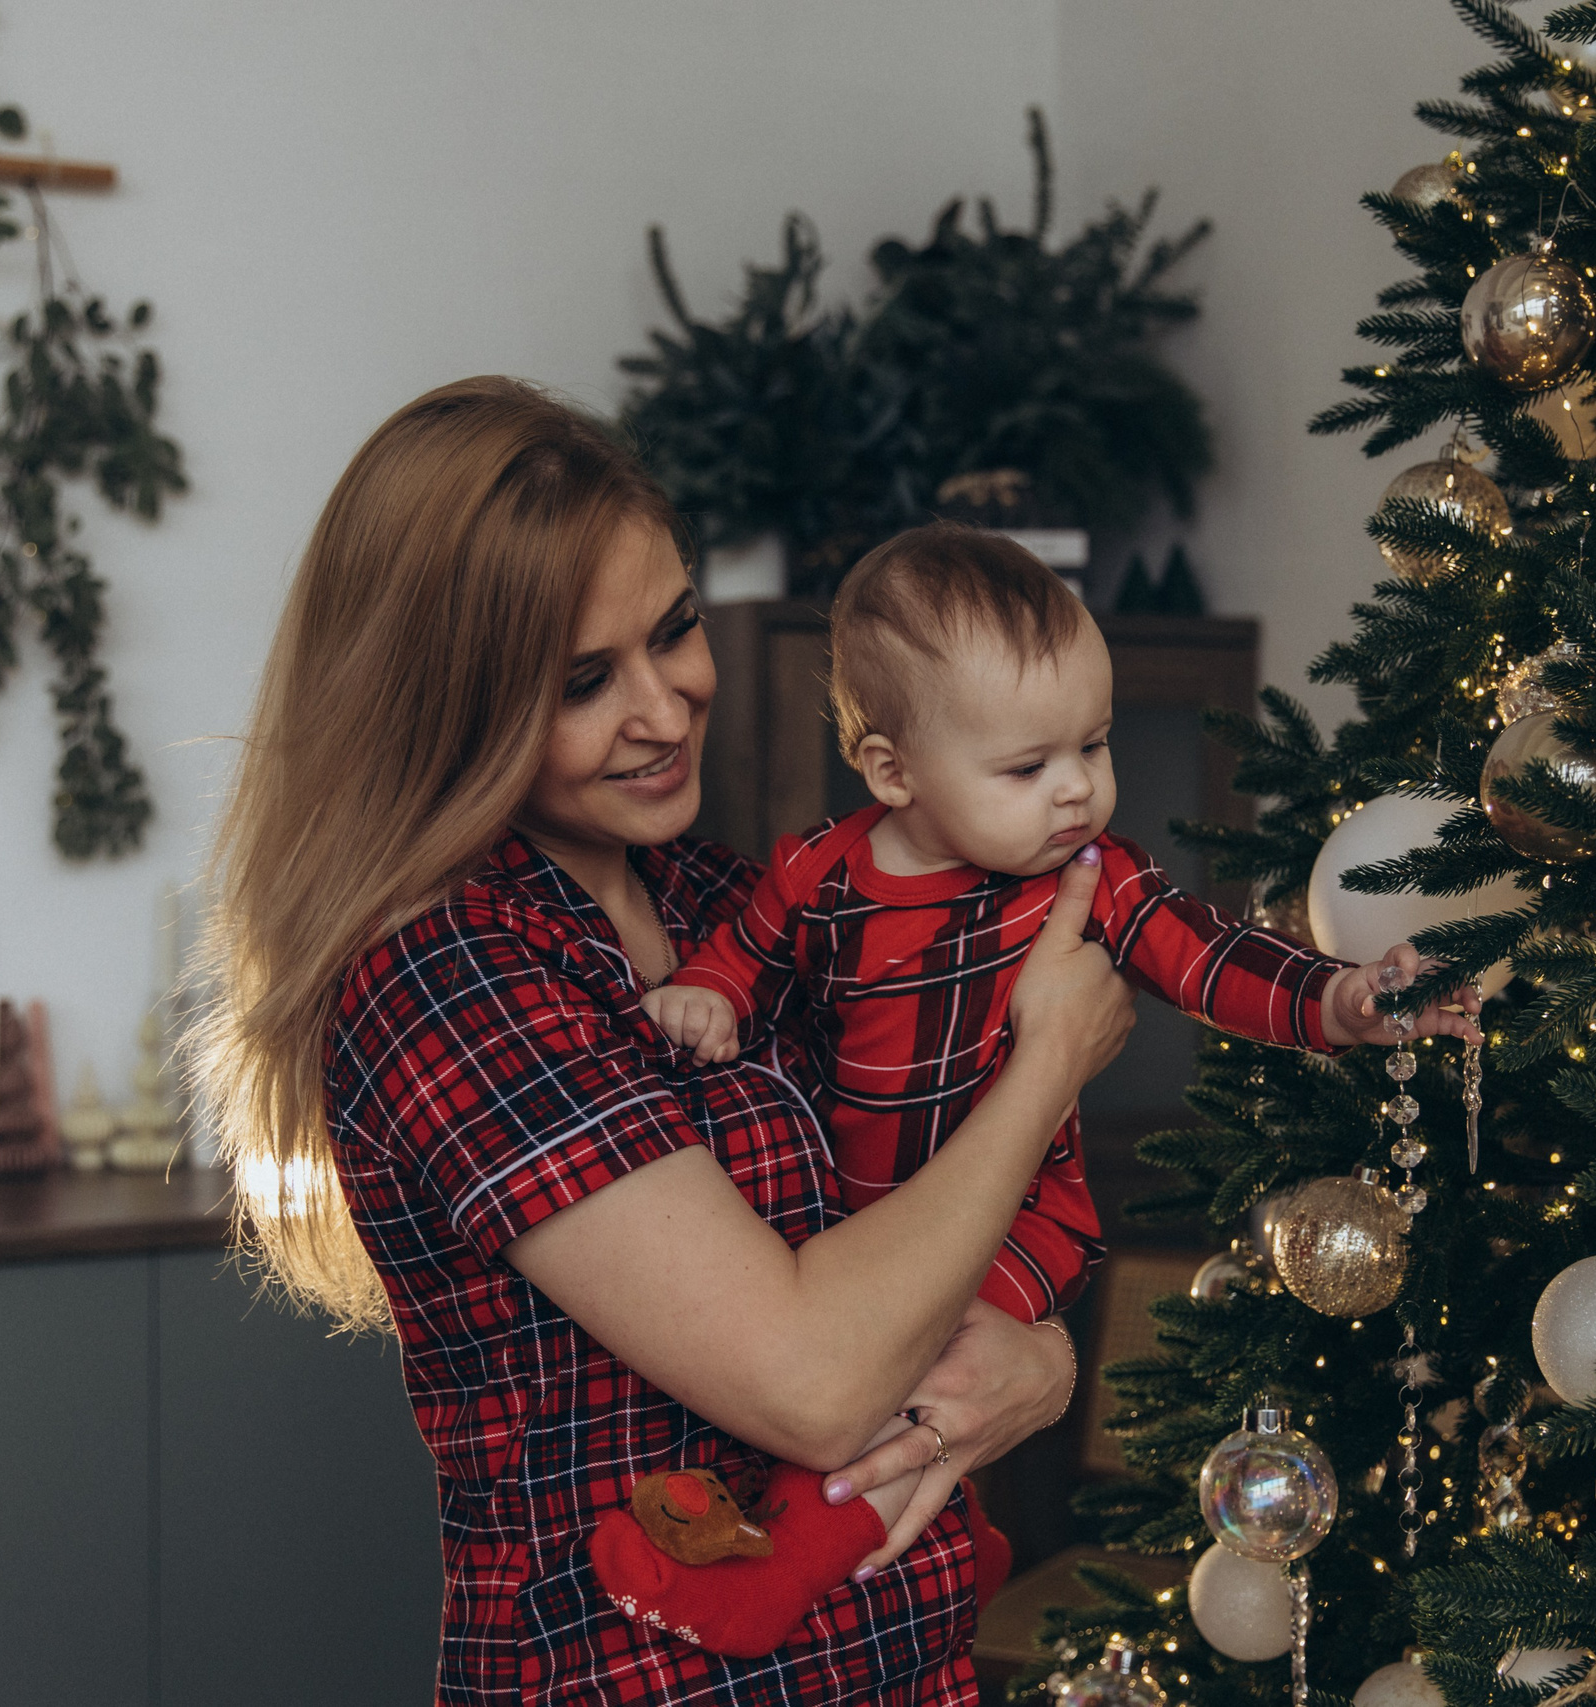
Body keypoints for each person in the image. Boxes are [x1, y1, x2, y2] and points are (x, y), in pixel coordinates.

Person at [191, 377, 1133, 1704]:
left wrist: (1041, 1362)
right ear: (451, 709)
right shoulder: (450, 974)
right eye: (585, 682)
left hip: (895, 1665)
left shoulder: (715, 902)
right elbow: (814, 1381)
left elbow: (921, 1215)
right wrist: (1048, 1061)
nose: (667, 705)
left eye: (675, 629)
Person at [627, 523, 1484, 1642]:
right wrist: (709, 989)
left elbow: (1206, 955)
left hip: (1023, 1220)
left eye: (1094, 743)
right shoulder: (817, 872)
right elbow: (746, 953)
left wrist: (1334, 1001)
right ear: (892, 771)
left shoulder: (1091, 876)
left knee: (924, 1375)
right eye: (1027, 767)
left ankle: (776, 1569)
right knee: (833, 1357)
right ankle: (921, 1532)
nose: (1078, 788)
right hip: (854, 1220)